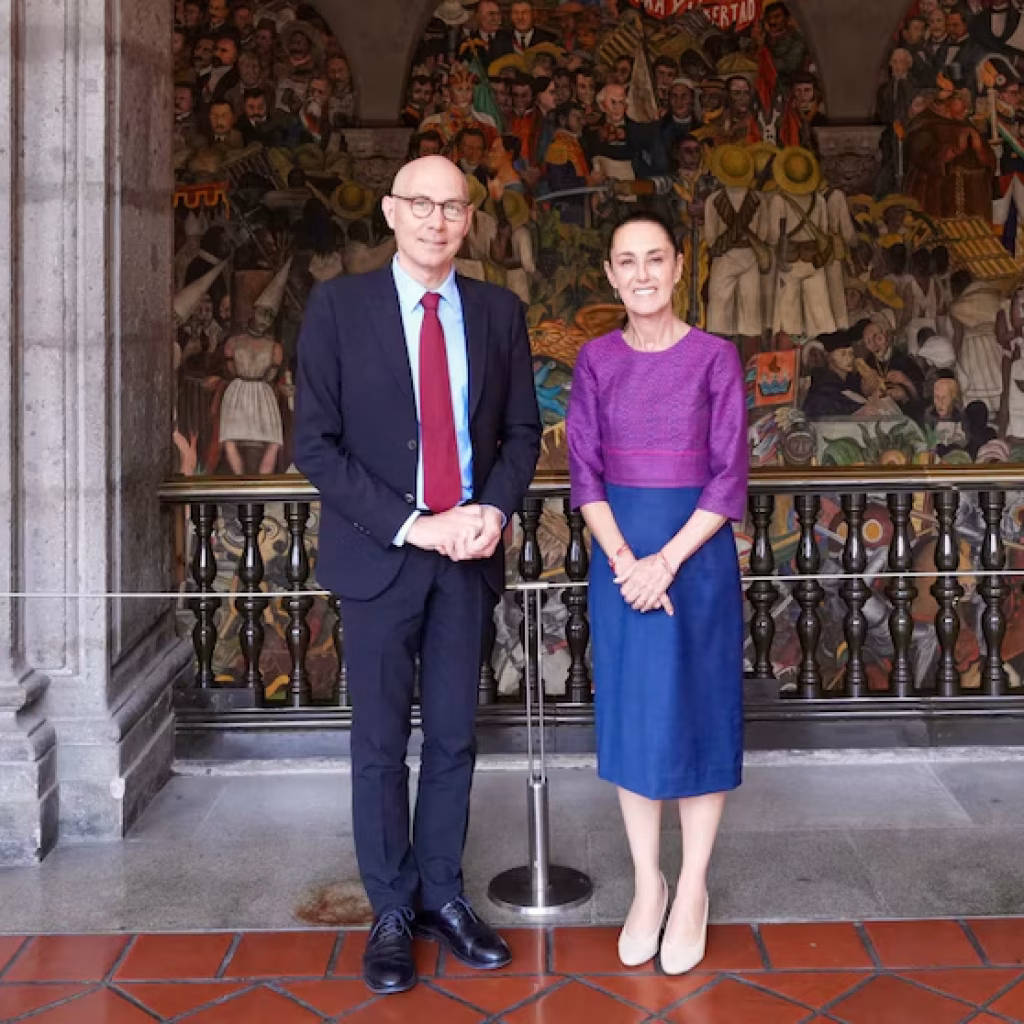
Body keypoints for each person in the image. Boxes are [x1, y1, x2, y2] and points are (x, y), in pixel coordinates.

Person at [294, 155, 541, 996]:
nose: (438, 220)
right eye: (422, 205)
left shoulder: (499, 312)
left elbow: (521, 435)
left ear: (469, 220)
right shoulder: (338, 308)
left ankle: (443, 895)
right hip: (381, 556)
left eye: (453, 207)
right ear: (391, 212)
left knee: (454, 736)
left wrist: (493, 510)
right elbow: (315, 445)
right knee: (377, 745)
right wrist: (413, 523)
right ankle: (392, 911)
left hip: (466, 559)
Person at [566, 210, 747, 976]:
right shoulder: (595, 360)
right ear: (610, 274)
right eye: (627, 261)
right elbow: (584, 475)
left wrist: (663, 563)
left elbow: (729, 477)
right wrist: (626, 562)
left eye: (655, 258)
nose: (642, 273)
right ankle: (649, 884)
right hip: (620, 563)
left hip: (694, 560)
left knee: (700, 716)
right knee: (635, 720)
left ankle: (693, 886)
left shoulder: (715, 357)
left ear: (679, 267)